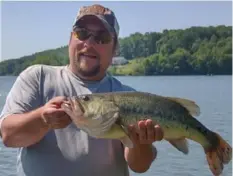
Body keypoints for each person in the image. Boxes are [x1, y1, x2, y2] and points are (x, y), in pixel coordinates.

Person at [0, 4, 164, 176]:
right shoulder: (37, 77)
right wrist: (42, 120)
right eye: (82, 33)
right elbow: (8, 136)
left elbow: (139, 166)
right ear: (71, 38)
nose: (89, 43)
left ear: (115, 48)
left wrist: (142, 143)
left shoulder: (129, 97)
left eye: (102, 37)